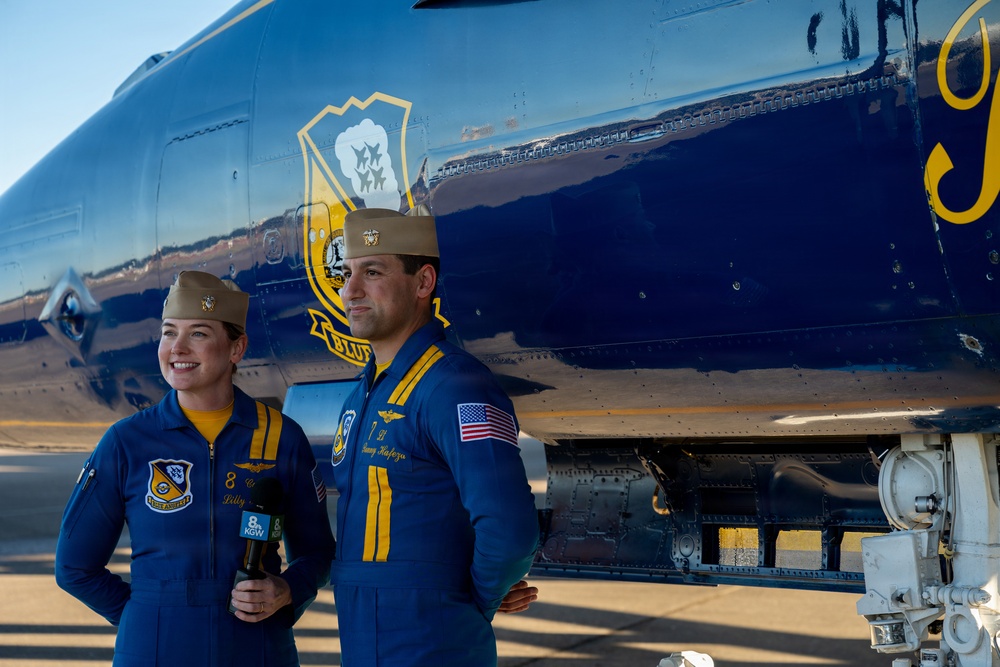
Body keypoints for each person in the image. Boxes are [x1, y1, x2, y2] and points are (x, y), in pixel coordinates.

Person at [55, 271, 336, 667]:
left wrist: (287, 590)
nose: (177, 348)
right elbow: (74, 566)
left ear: (236, 348)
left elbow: (318, 553)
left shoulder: (281, 438)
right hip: (154, 652)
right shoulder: (126, 442)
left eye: (198, 334)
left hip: (257, 647)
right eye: (169, 333)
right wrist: (146, 616)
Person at [330, 206, 540, 666]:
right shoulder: (362, 395)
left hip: (434, 645)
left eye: (372, 272)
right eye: (346, 274)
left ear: (423, 282)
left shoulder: (457, 386)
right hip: (364, 643)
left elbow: (509, 532)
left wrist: (472, 601)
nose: (350, 290)